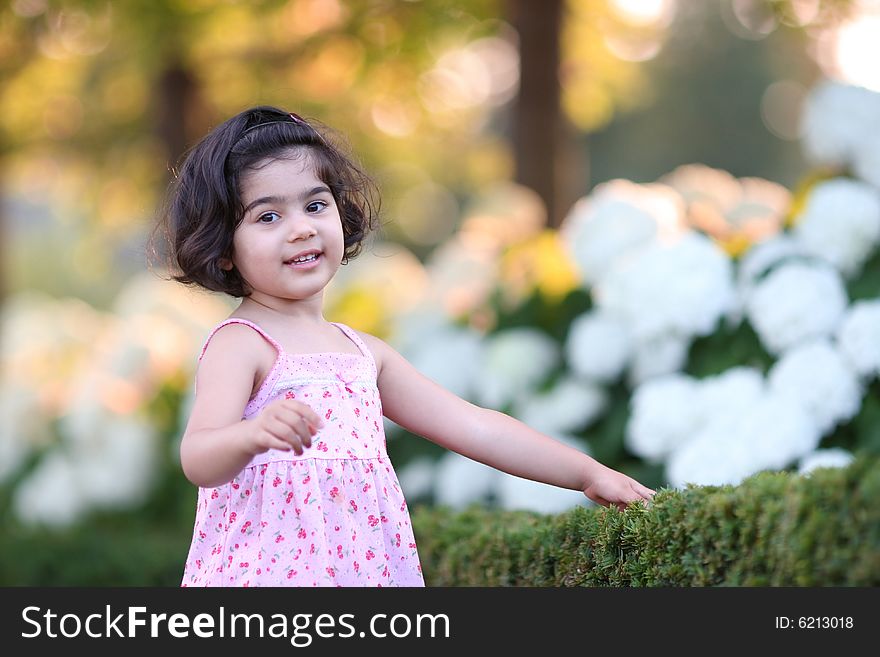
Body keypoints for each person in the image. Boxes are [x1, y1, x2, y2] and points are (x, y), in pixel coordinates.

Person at [157, 106, 655, 587]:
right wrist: (253, 434)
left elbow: (474, 426)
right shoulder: (243, 344)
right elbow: (198, 457)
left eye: (315, 205)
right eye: (268, 217)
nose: (302, 227)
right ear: (223, 248)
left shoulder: (364, 355)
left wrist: (588, 474)